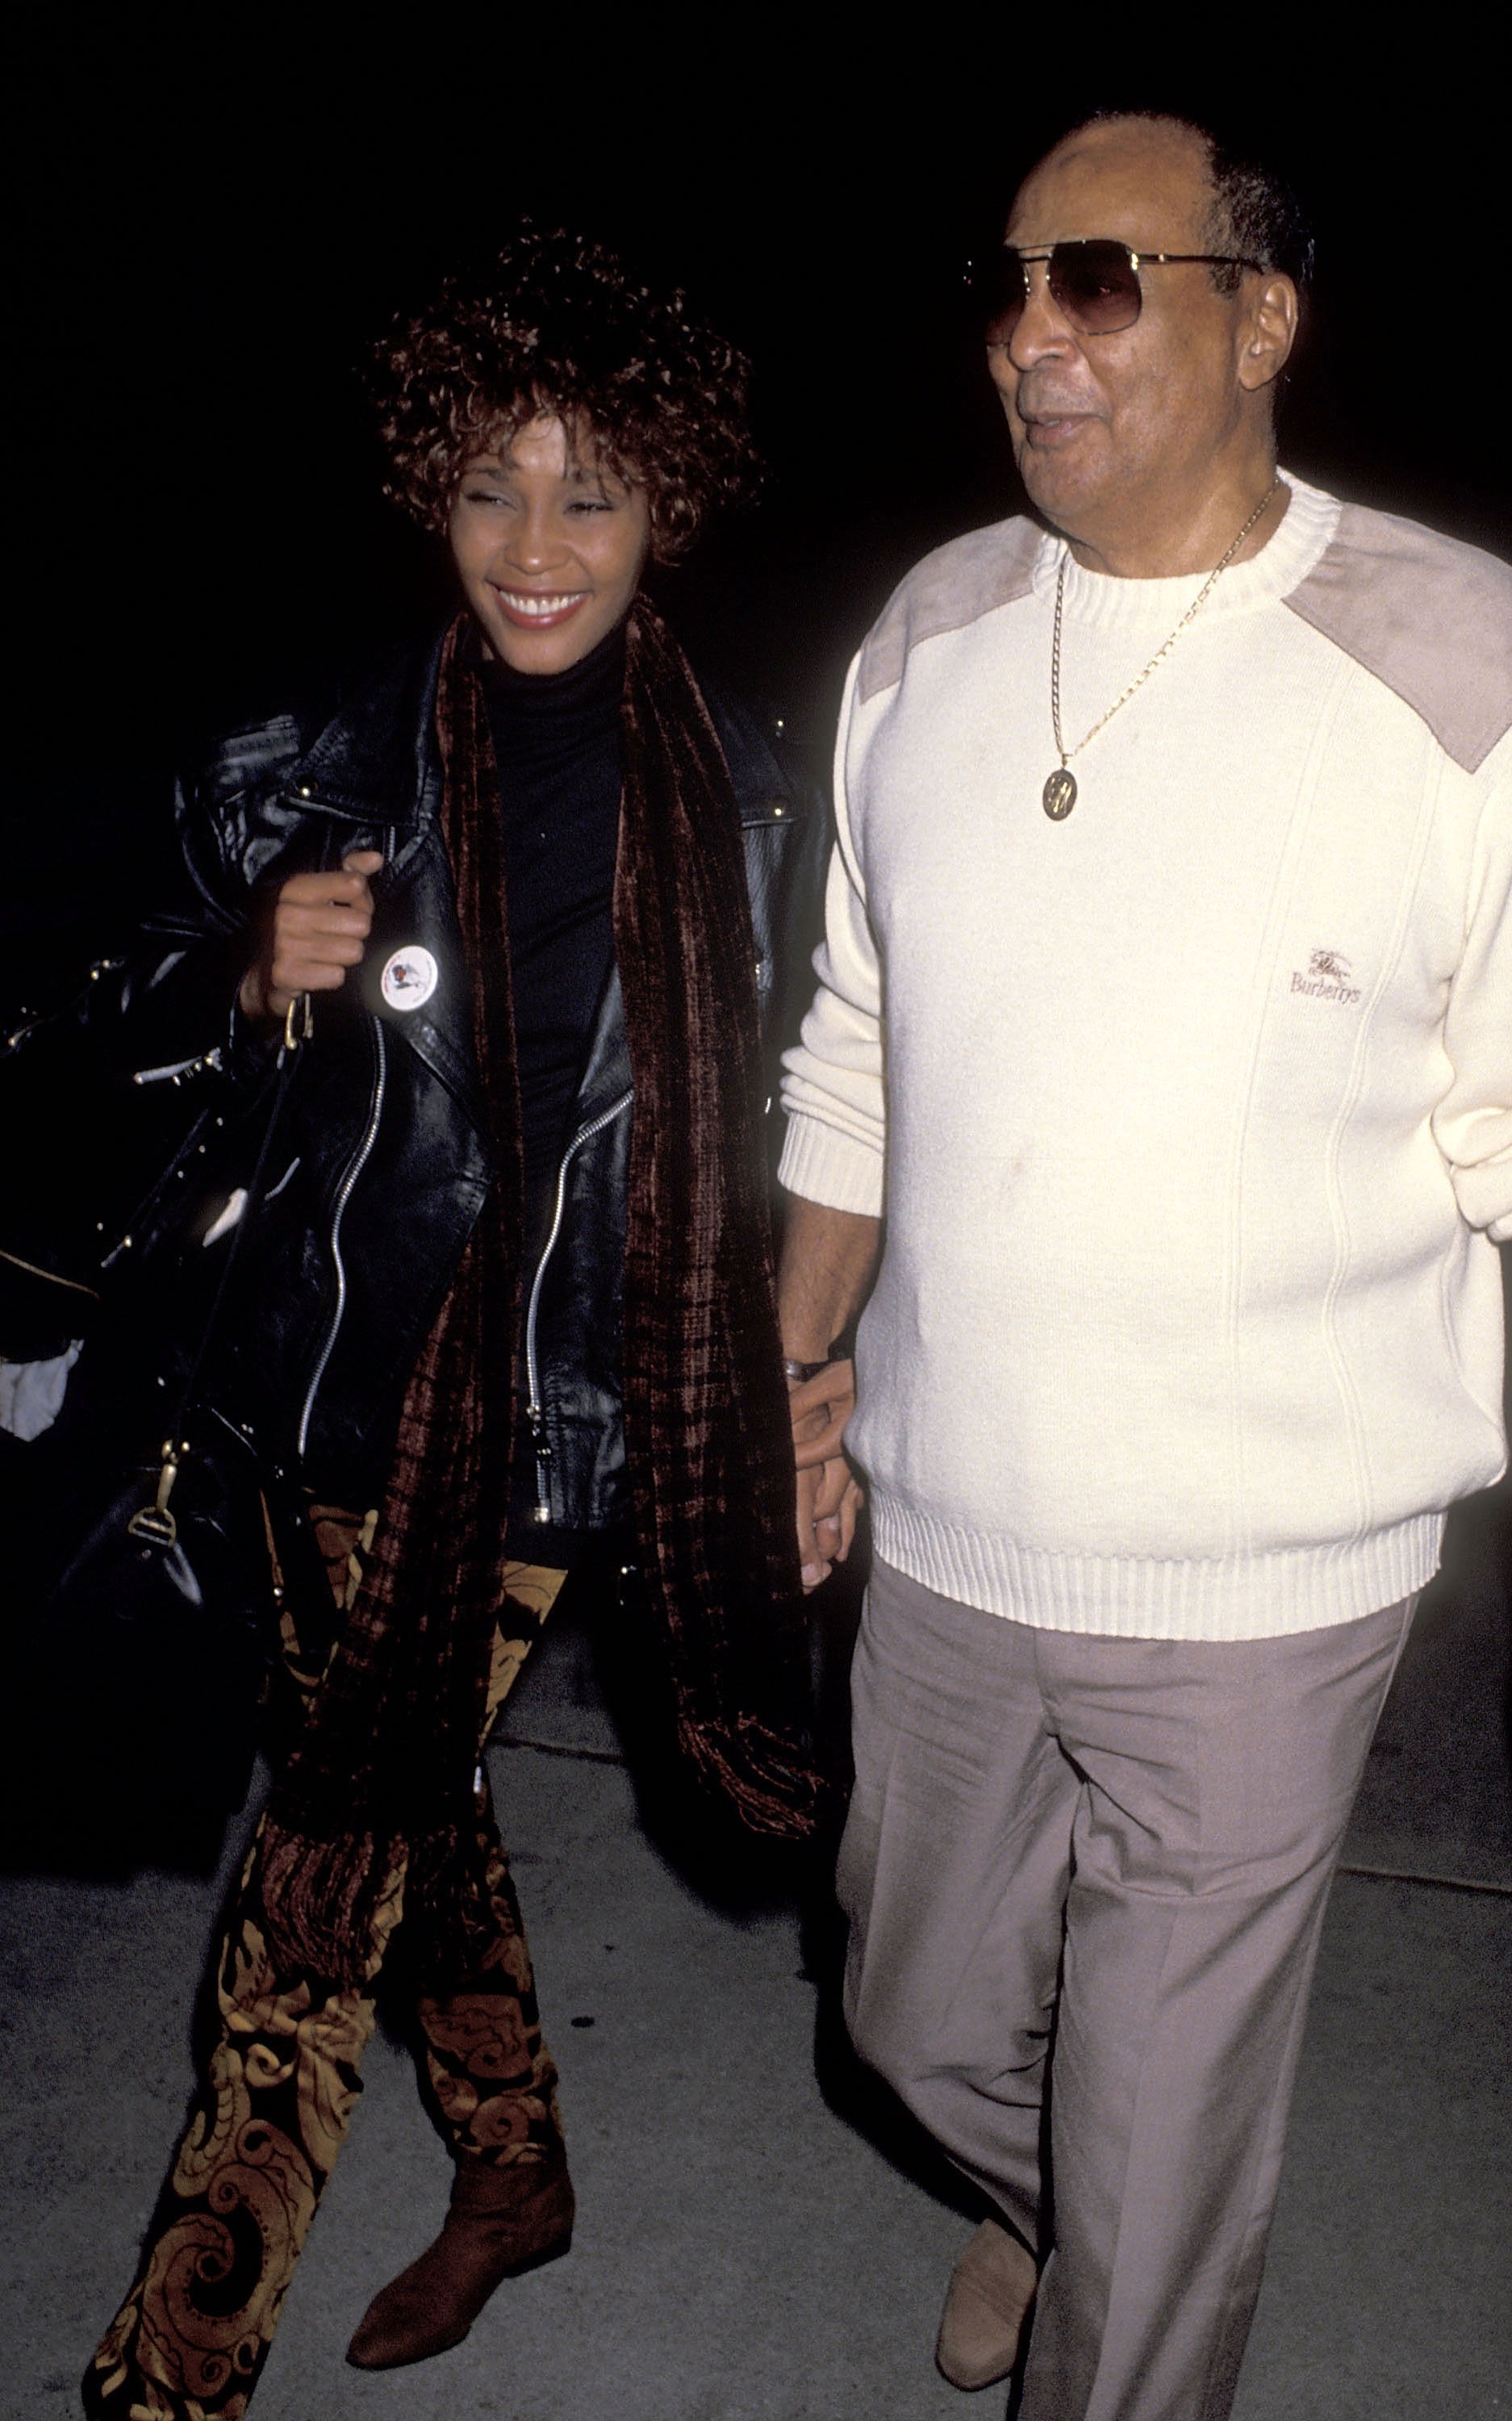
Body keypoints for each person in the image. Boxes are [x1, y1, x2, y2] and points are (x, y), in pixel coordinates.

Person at [777, 112, 1512, 2421]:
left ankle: (1121, 2278)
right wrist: (780, 1380)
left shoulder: (1446, 646)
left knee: (1164, 2181)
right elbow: (856, 1057)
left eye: (1097, 280)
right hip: (951, 1528)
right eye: (1003, 283)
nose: (1028, 338)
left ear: (1258, 316)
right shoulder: (926, 639)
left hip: (1270, 1585)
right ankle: (1056, 2201)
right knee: (898, 2013)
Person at [39, 230, 825, 2417]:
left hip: (576, 1415)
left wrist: (822, 1378)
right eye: (494, 486)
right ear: (429, 488)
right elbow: (78, 1039)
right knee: (402, 1799)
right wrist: (231, 975)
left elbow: (850, 1122)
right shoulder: (303, 767)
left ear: (670, 503)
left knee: (316, 1891)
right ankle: (515, 2168)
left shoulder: (770, 816)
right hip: (314, 1398)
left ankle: (171, 2371)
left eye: (592, 493)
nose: (539, 547)